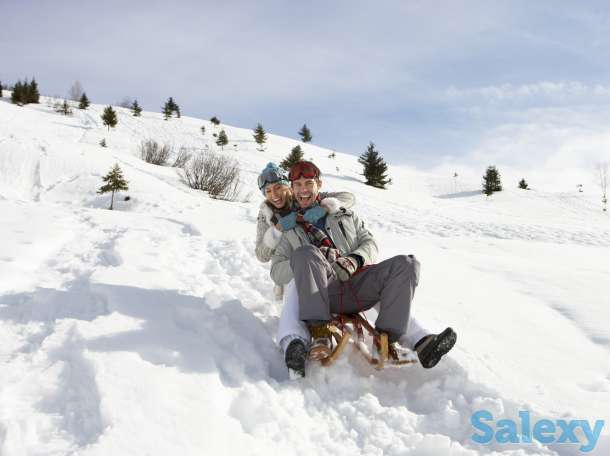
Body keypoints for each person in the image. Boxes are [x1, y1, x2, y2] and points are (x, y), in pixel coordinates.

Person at [270, 161, 456, 376]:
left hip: (357, 283)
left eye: (308, 183)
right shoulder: (289, 230)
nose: (303, 190)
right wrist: (309, 264)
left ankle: (393, 338)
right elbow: (276, 270)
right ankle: (318, 332)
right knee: (304, 253)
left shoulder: (344, 215)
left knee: (407, 264)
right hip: (321, 293)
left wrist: (354, 260)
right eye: (298, 185)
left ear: (319, 184)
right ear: (292, 189)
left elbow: (369, 242)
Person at [255, 162, 355, 375]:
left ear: (288, 186)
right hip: (291, 265)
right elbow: (262, 254)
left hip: (320, 261)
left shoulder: (302, 196)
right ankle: (293, 342)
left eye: (278, 188)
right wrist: (277, 230)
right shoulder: (267, 214)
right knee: (295, 281)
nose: (275, 195)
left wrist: (323, 208)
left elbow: (348, 198)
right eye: (268, 191)